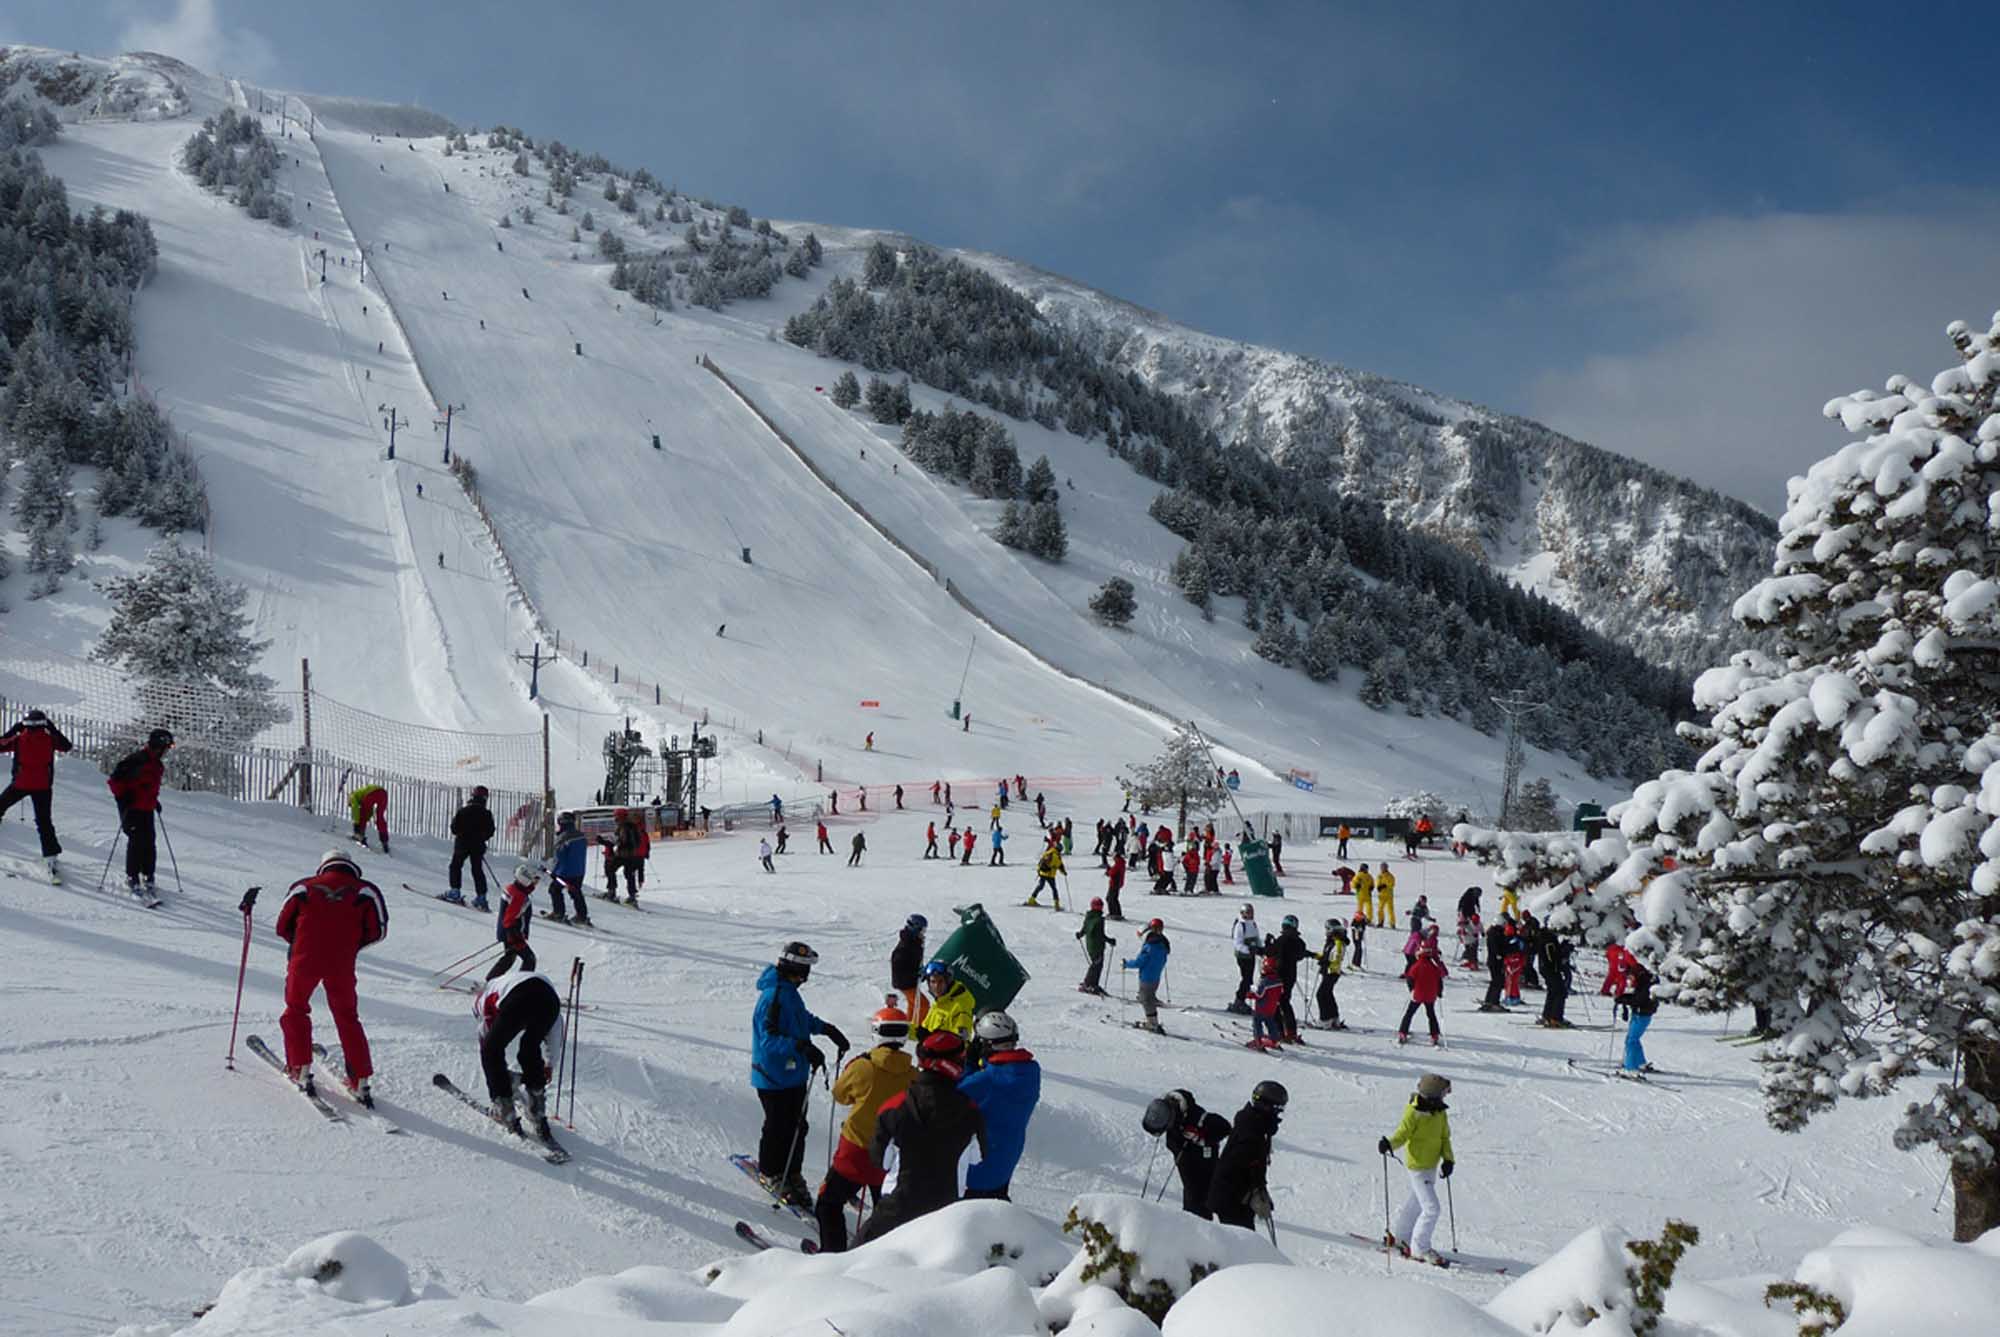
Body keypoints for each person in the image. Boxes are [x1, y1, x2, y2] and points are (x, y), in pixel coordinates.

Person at [276, 850, 388, 1100]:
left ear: (324, 866)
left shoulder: (303, 887)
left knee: (296, 1008)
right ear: (350, 866)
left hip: (303, 960)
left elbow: (282, 926)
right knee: (347, 1016)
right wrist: (352, 945)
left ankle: (300, 1067)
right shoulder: (365, 891)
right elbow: (378, 931)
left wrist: (300, 942)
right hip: (341, 963)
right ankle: (360, 1080)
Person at [856, 1031, 987, 1243]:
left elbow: (880, 1161)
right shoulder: (971, 1111)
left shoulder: (895, 1106)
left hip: (896, 1211)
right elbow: (978, 1157)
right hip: (945, 1217)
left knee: (855, 1263)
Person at [750, 942, 848, 1206]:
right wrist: (800, 1046)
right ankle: (771, 1171)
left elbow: (800, 1018)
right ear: (794, 968)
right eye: (804, 969)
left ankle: (792, 1172)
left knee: (797, 1127)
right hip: (772, 1077)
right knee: (777, 1127)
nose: (806, 975)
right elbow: (768, 1039)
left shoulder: (789, 993)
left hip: (793, 1075)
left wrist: (826, 1029)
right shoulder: (771, 997)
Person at [817, 1004, 916, 1251]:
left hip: (856, 1149)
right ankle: (878, 1255)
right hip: (889, 1155)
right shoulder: (914, 1074)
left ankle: (832, 1254)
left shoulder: (864, 1067)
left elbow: (840, 1094)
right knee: (884, 1210)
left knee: (828, 1204)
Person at [960, 1011, 1040, 1200]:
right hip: (1006, 1158)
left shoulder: (986, 1080)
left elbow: (954, 1095)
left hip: (977, 1168)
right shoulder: (1031, 1071)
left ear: (987, 1045)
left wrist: (969, 1064)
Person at [473, 967, 562, 1136]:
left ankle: (504, 1108)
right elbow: (556, 1030)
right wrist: (550, 1064)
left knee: (491, 1050)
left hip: (519, 997)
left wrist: (495, 1072)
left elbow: (487, 1036)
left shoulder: (482, 999)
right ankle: (536, 1104)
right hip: (549, 999)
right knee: (529, 1046)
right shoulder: (505, 982)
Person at [1379, 1073, 1455, 1265]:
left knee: (1417, 1202)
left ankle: (1402, 1236)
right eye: (1444, 1093)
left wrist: (1448, 1160)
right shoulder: (1414, 1112)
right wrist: (1389, 1143)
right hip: (1418, 1167)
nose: (1445, 1097)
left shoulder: (1439, 1112)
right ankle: (1420, 1248)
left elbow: (1445, 1138)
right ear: (1434, 1094)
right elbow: (1402, 1135)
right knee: (1432, 1209)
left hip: (1431, 1165)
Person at [0, 708, 73, 875]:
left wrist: (14, 730)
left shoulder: (18, 739)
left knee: (1, 803)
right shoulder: (50, 739)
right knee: (44, 821)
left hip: (20, 784)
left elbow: (1, 744)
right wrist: (53, 729)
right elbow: (67, 746)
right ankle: (51, 855)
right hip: (43, 787)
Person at [1209, 1080, 1286, 1229]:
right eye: (1278, 1108)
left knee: (1243, 1241)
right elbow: (1234, 1170)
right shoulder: (1251, 1131)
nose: (1279, 1113)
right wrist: (1252, 1196)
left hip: (1237, 1200)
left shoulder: (1256, 1125)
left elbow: (1254, 1166)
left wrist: (1260, 1189)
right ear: (1267, 1106)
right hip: (1230, 1200)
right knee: (1240, 1243)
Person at [107, 727, 174, 898]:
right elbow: (114, 781)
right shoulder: (136, 760)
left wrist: (154, 801)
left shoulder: (157, 764)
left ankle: (148, 874)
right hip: (131, 808)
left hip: (146, 807)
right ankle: (132, 876)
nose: (166, 752)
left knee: (150, 843)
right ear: (158, 747)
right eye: (166, 748)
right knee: (137, 842)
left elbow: (148, 787)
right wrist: (124, 797)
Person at [1153, 1089, 1232, 1219]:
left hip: (1205, 1168)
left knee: (1202, 1203)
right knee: (1192, 1200)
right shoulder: (1170, 1118)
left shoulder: (1197, 1117)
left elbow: (1224, 1127)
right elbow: (1171, 1142)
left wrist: (1199, 1138)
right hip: (1188, 1171)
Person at [488, 863, 541, 978]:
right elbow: (509, 920)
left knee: (509, 957)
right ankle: (521, 984)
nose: (532, 881)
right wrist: (515, 937)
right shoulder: (518, 896)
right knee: (529, 959)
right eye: (530, 879)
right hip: (512, 933)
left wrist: (533, 884)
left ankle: (491, 980)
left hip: (509, 931)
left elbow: (524, 890)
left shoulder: (515, 888)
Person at [445, 785, 494, 908]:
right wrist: (482, 837)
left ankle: (455, 891)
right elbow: (490, 831)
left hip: (463, 843)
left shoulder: (464, 811)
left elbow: (454, 828)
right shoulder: (486, 814)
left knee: (456, 866)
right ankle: (481, 897)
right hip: (477, 845)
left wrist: (462, 833)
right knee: (477, 870)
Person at [1266, 914, 1311, 1042]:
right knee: (1285, 1002)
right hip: (1291, 976)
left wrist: (1266, 944)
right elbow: (1300, 955)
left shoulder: (1282, 940)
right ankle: (1291, 1031)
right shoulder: (1299, 942)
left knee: (1274, 1003)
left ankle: (1278, 1032)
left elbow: (1270, 952)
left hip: (1278, 976)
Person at [1123, 918, 1171, 1032]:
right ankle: (1152, 1017)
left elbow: (1139, 962)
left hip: (1147, 977)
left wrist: (1126, 964)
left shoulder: (1149, 947)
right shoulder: (1162, 943)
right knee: (1148, 997)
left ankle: (1152, 1023)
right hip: (1155, 977)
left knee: (1146, 1000)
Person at [1398, 940, 1447, 1046]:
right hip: (1430, 995)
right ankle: (1434, 1035)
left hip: (1418, 994)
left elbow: (1410, 979)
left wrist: (1411, 989)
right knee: (1431, 1014)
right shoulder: (1434, 967)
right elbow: (1439, 980)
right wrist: (1439, 992)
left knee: (1409, 1013)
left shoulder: (1416, 966)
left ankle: (1403, 1032)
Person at [547, 811, 592, 924]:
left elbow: (560, 856)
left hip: (565, 872)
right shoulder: (581, 836)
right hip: (579, 871)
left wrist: (554, 871)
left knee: (554, 889)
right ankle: (582, 916)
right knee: (576, 892)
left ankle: (558, 913)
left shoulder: (563, 837)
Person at [915, 959, 976, 1039]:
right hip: (929, 1049)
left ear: (948, 982)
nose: (936, 986)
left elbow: (962, 1041)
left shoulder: (961, 1007)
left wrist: (931, 1038)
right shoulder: (940, 1002)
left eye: (940, 982)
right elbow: (924, 1029)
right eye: (933, 982)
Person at [1623, 956, 1659, 1074]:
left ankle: (1630, 1068)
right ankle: (1640, 1063)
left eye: (1631, 977)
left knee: (1631, 1041)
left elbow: (1639, 1000)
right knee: (1633, 1039)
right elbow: (1635, 997)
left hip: (1641, 1015)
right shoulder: (1643, 982)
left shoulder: (1645, 985)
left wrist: (1625, 1000)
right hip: (1640, 1014)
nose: (1630, 980)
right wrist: (1623, 998)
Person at [1313, 918, 1349, 1029]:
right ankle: (1334, 1018)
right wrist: (1315, 956)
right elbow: (1327, 955)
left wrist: (1326, 963)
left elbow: (1336, 959)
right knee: (1327, 994)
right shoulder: (1332, 941)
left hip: (1332, 972)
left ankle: (1325, 1020)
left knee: (1321, 995)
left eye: (1327, 929)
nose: (1326, 931)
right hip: (1329, 971)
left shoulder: (1338, 943)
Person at [890, 914, 927, 1018]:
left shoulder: (914, 942)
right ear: (915, 928)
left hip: (909, 980)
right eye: (921, 930)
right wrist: (916, 974)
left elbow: (915, 961)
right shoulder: (906, 945)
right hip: (905, 982)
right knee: (923, 1005)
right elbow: (899, 967)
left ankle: (909, 1026)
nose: (923, 933)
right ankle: (919, 1029)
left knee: (913, 1005)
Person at [1538, 924, 1575, 1028]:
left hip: (1548, 969)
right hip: (1551, 970)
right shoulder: (1548, 940)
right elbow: (1552, 957)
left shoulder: (1547, 938)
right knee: (1560, 992)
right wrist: (1564, 953)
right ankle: (1555, 1018)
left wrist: (1562, 948)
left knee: (1553, 991)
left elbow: (1554, 954)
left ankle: (1548, 1015)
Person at [1228, 904, 1262, 1013]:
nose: (1250, 915)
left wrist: (1261, 949)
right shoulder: (1240, 925)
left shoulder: (1253, 924)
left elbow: (1256, 938)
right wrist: (1248, 949)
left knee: (1249, 979)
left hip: (1251, 956)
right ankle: (1239, 1000)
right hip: (1243, 956)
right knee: (1246, 978)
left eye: (1251, 912)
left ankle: (1242, 1000)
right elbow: (1237, 943)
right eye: (1247, 913)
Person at [1248, 957, 1285, 1051]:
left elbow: (1259, 995)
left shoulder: (1265, 982)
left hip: (1261, 1008)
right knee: (1271, 1023)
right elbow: (1281, 993)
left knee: (1257, 1023)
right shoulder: (1279, 981)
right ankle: (1275, 1040)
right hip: (1272, 1008)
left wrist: (1250, 994)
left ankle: (1258, 1041)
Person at [1076, 898, 1109, 994]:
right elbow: (1100, 935)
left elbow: (1084, 929)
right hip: (1097, 946)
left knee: (1096, 964)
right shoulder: (1099, 920)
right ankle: (1088, 984)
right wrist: (1109, 940)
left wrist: (1080, 934)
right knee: (1096, 965)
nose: (1101, 907)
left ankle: (1092, 983)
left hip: (1090, 946)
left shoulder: (1089, 917)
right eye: (1100, 905)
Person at [347, 783, 389, 852]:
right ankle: (384, 840)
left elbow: (355, 809)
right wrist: (366, 818)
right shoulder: (361, 795)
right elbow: (370, 812)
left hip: (371, 793)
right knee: (380, 817)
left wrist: (357, 824)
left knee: (362, 815)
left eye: (349, 805)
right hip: (383, 793)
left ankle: (360, 836)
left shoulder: (352, 796)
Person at [1480, 918, 1510, 1012]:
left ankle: (1489, 1000)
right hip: (1496, 961)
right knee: (1498, 981)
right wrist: (1500, 954)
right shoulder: (1496, 933)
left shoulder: (1493, 932)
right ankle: (1493, 1001)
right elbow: (1497, 946)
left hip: (1494, 960)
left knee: (1495, 981)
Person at [1028, 842, 1063, 907]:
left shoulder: (1048, 852)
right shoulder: (1056, 856)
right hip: (1050, 875)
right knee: (1054, 889)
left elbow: (1040, 862)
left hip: (1042, 873)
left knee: (1040, 886)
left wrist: (1039, 870)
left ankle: (1031, 899)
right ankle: (1056, 904)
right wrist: (1063, 871)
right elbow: (1058, 865)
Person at [1103, 850, 1126, 920]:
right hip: (1117, 883)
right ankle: (1117, 913)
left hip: (1115, 883)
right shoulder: (1121, 863)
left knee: (1110, 898)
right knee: (1113, 898)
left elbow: (1113, 872)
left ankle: (1113, 913)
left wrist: (1108, 871)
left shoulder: (1118, 863)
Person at [1374, 862, 1397, 928]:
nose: (1382, 869)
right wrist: (1378, 887)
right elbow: (1378, 883)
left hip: (1389, 895)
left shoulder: (1390, 876)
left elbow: (1392, 884)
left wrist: (1385, 885)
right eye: (1381, 867)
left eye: (1384, 867)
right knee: (1380, 909)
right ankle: (1380, 922)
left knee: (1390, 910)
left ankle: (1392, 923)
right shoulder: (1379, 875)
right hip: (1381, 895)